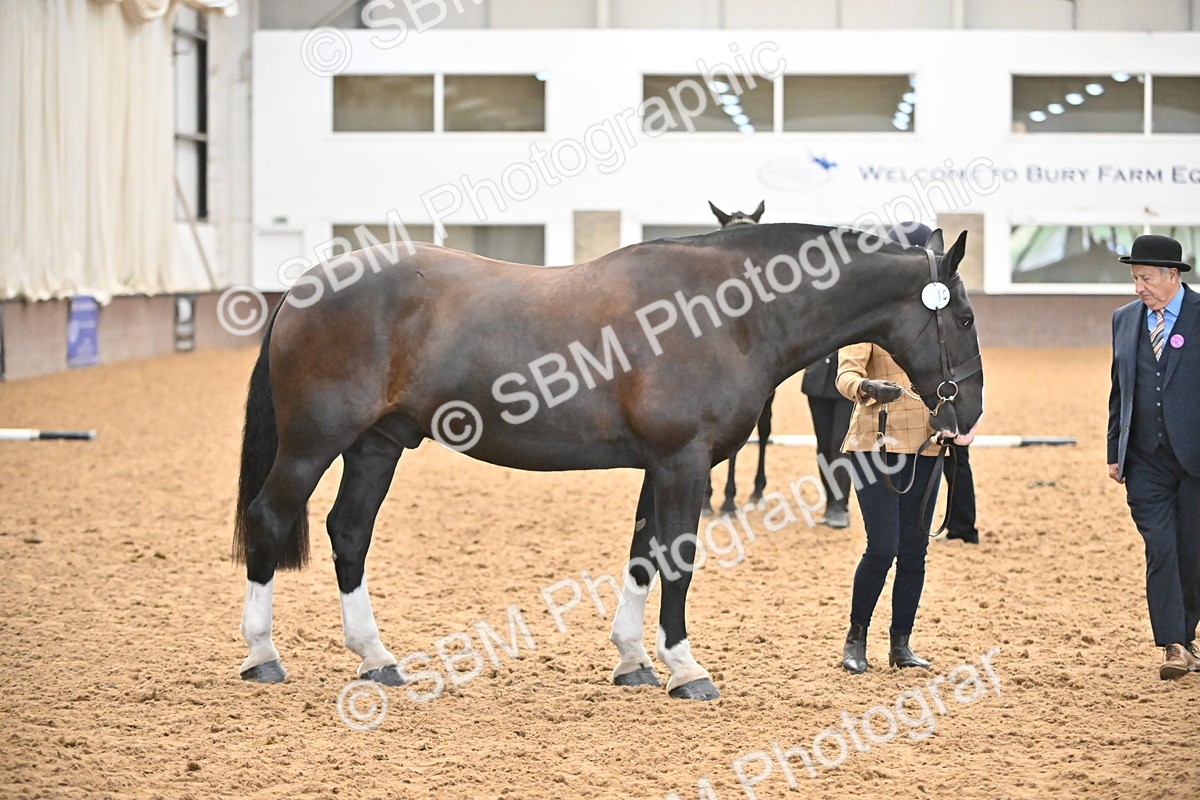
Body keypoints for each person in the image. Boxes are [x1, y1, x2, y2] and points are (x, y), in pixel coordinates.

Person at [835, 221, 945, 674]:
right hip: (874, 444)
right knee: (882, 546)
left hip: (926, 444)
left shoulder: (938, 317)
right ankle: (856, 637)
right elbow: (845, 373)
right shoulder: (869, 313)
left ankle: (901, 643)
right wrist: (865, 387)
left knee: (915, 551)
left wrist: (959, 420)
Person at [1107, 233, 1200, 680]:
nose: (1138, 287)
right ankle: (1173, 644)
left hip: (1195, 461)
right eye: (1135, 278)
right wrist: (1115, 450)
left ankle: (1188, 635)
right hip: (1144, 460)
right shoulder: (1124, 320)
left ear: (1172, 276)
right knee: (1160, 549)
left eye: (1145, 278)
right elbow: (1119, 389)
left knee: (1192, 551)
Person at [801, 354, 854, 528]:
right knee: (823, 447)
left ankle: (840, 505)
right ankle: (830, 501)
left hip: (848, 382)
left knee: (839, 445)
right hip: (818, 380)